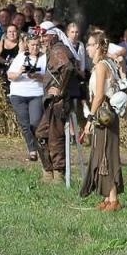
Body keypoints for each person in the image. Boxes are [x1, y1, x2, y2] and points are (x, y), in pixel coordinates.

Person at [79, 33, 127, 210]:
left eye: (90, 45)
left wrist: (90, 119)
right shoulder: (108, 64)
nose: (88, 48)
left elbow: (99, 95)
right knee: (101, 153)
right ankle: (108, 197)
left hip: (104, 115)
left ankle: (113, 199)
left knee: (105, 155)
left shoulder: (101, 66)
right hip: (106, 114)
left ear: (98, 46)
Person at [37, 38, 77, 182]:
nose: (41, 39)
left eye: (44, 36)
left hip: (58, 102)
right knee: (42, 134)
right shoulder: (55, 49)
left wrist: (60, 90)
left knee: (55, 138)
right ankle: (48, 172)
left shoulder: (57, 49)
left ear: (52, 36)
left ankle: (58, 174)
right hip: (53, 102)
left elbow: (68, 68)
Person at [6, 33, 48, 164]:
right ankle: (32, 150)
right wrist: (20, 72)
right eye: (32, 45)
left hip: (36, 93)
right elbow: (10, 75)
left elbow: (49, 78)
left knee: (35, 122)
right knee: (25, 124)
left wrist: (36, 76)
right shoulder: (20, 57)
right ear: (27, 46)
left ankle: (40, 145)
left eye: (37, 45)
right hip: (18, 93)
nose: (35, 47)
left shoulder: (45, 58)